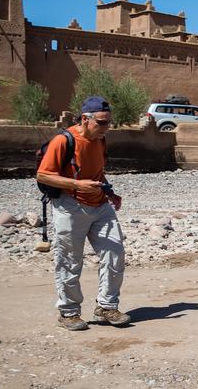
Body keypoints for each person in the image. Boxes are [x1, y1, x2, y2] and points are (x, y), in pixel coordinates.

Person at [36, 96, 129, 331]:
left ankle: (107, 306)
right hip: (70, 205)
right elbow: (43, 175)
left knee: (115, 254)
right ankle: (68, 312)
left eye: (109, 123)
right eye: (101, 122)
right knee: (69, 260)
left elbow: (97, 173)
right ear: (86, 119)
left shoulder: (100, 140)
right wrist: (78, 186)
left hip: (100, 205)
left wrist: (110, 192)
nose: (106, 127)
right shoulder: (63, 140)